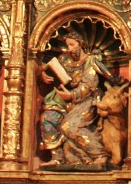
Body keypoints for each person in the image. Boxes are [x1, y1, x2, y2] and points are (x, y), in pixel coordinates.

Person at [39, 31, 110, 168]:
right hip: (63, 98)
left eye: (72, 45)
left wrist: (72, 95)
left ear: (81, 44)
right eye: (67, 46)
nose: (69, 49)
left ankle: (99, 155)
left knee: (69, 126)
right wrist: (43, 72)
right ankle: (57, 157)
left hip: (87, 100)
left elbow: (89, 85)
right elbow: (51, 68)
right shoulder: (64, 59)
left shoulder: (91, 61)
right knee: (48, 117)